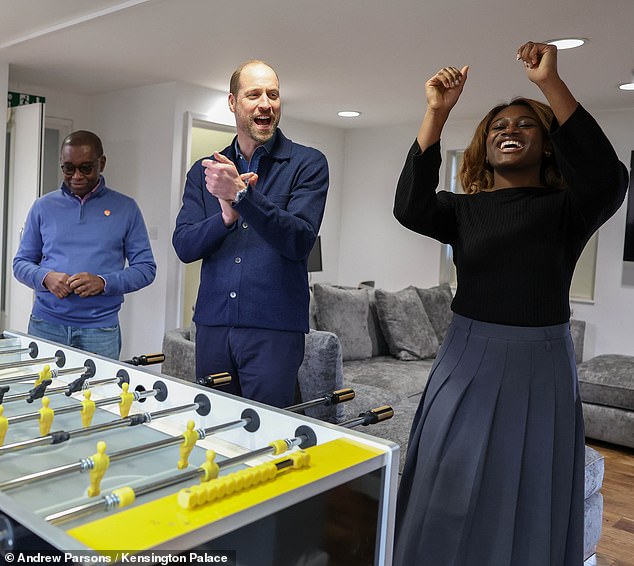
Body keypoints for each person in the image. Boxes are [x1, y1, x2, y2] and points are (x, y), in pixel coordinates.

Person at [392, 42, 628, 566]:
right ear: (484, 145)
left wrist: (550, 84)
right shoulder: (461, 210)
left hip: (540, 363)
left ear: (547, 146)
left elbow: (608, 178)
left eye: (525, 126)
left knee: (528, 484)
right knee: (445, 477)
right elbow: (408, 205)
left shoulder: (569, 209)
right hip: (466, 355)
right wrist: (437, 111)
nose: (508, 131)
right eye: (498, 126)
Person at [172, 60, 329, 408]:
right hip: (213, 326)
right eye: (254, 94)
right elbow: (184, 245)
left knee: (269, 435)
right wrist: (226, 216)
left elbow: (300, 240)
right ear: (232, 102)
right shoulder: (206, 172)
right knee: (214, 428)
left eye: (273, 95)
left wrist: (243, 198)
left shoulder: (308, 164)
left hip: (275, 330)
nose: (265, 104)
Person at [13, 130, 156, 360]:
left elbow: (146, 269)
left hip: (100, 331)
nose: (76, 176)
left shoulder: (126, 208)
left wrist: (103, 282)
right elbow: (20, 264)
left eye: (86, 168)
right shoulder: (42, 207)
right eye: (68, 168)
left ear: (102, 163)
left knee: (97, 395)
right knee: (43, 395)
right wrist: (46, 277)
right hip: (45, 325)